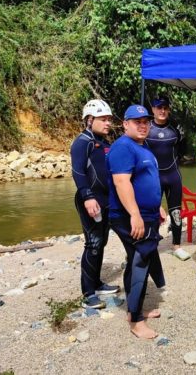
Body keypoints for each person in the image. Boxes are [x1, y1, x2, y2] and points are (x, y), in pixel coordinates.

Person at [107, 104, 166, 339]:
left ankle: (135, 310)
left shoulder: (142, 146)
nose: (143, 125)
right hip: (128, 216)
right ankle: (136, 320)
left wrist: (157, 207)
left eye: (146, 121)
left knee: (136, 259)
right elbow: (122, 182)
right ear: (125, 124)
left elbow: (148, 180)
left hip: (146, 213)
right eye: (137, 121)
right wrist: (135, 214)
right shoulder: (123, 147)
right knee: (140, 260)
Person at [70, 99, 120, 309]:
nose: (108, 123)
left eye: (109, 119)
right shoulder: (83, 142)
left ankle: (97, 283)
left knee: (101, 243)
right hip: (90, 199)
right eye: (103, 119)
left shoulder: (104, 143)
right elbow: (78, 171)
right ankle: (88, 293)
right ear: (90, 120)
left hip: (105, 200)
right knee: (92, 244)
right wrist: (88, 196)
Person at [145, 97, 190, 261]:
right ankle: (150, 245)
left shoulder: (175, 129)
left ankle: (176, 246)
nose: (162, 111)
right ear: (153, 110)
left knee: (176, 212)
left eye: (165, 108)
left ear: (168, 109)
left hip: (172, 175)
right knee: (151, 212)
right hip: (153, 177)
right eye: (158, 108)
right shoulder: (146, 129)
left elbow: (183, 149)